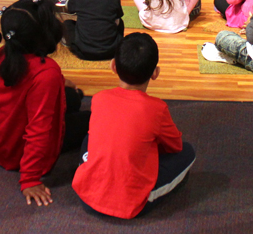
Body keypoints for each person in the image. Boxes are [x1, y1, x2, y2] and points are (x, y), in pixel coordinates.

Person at [72, 33, 195, 218]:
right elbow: (175, 147)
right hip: (132, 203)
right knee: (188, 152)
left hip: (87, 195)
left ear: (113, 65)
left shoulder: (99, 99)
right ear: (155, 73)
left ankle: (90, 171)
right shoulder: (157, 109)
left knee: (90, 138)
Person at [0, 7, 89, 206]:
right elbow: (39, 130)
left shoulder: (5, 53)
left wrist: (61, 81)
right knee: (90, 119)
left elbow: (29, 80)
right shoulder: (46, 73)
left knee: (73, 97)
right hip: (16, 150)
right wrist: (29, 178)